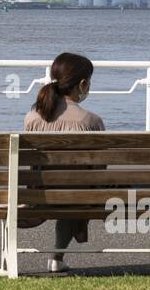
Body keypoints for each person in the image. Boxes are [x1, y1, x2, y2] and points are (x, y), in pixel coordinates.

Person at [23, 52, 104, 273]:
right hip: (81, 196)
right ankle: (56, 257)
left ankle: (45, 260)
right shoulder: (91, 121)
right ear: (83, 84)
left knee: (70, 191)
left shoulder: (32, 118)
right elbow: (99, 169)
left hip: (39, 193)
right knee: (76, 192)